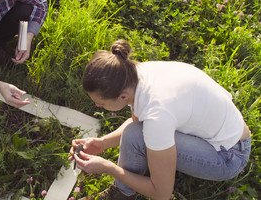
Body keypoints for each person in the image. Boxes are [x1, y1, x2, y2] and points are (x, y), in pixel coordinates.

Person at [70, 39, 251, 200]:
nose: (98, 107)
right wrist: (102, 143)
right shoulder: (134, 72)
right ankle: (125, 189)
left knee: (137, 136)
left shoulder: (157, 114)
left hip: (229, 155)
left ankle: (120, 194)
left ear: (122, 96)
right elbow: (137, 122)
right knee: (137, 133)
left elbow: (162, 194)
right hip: (227, 131)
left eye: (101, 103)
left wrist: (109, 168)